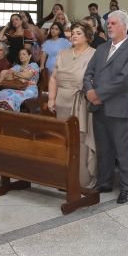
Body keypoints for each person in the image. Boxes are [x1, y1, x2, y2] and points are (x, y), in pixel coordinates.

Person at [84, 11, 128, 201]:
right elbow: (88, 73)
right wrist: (89, 92)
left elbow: (123, 81)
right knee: (104, 148)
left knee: (123, 150)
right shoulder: (101, 48)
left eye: (113, 23)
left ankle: (127, 187)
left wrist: (98, 94)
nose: (109, 26)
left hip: (119, 108)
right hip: (99, 108)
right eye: (108, 23)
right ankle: (105, 182)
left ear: (124, 26)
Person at [46, 22, 97, 188]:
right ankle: (64, 178)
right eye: (72, 33)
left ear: (88, 37)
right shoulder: (63, 53)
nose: (74, 36)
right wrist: (51, 99)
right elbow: (53, 78)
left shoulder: (94, 55)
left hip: (81, 103)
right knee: (64, 140)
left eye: (78, 33)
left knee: (81, 141)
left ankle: (82, 179)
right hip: (62, 102)